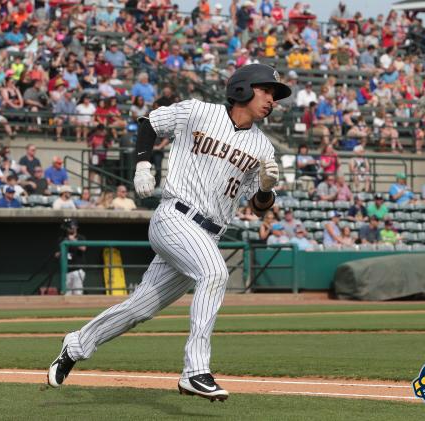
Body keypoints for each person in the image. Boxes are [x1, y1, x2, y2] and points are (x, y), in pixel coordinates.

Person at [47, 64, 288, 401]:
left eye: (274, 94)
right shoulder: (198, 111)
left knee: (138, 309)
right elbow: (150, 123)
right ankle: (195, 371)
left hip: (208, 234)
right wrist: (143, 164)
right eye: (266, 90)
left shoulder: (263, 148)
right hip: (174, 217)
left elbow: (260, 207)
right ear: (243, 89)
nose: (272, 99)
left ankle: (75, 345)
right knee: (215, 273)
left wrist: (266, 188)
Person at [57, 219, 87, 295]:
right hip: (66, 270)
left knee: (77, 293)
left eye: (70, 227)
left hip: (77, 269)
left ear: (75, 227)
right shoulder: (62, 238)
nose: (69, 229)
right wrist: (59, 253)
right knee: (66, 294)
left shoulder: (80, 237)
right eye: (67, 227)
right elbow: (57, 253)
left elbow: (83, 248)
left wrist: (73, 241)